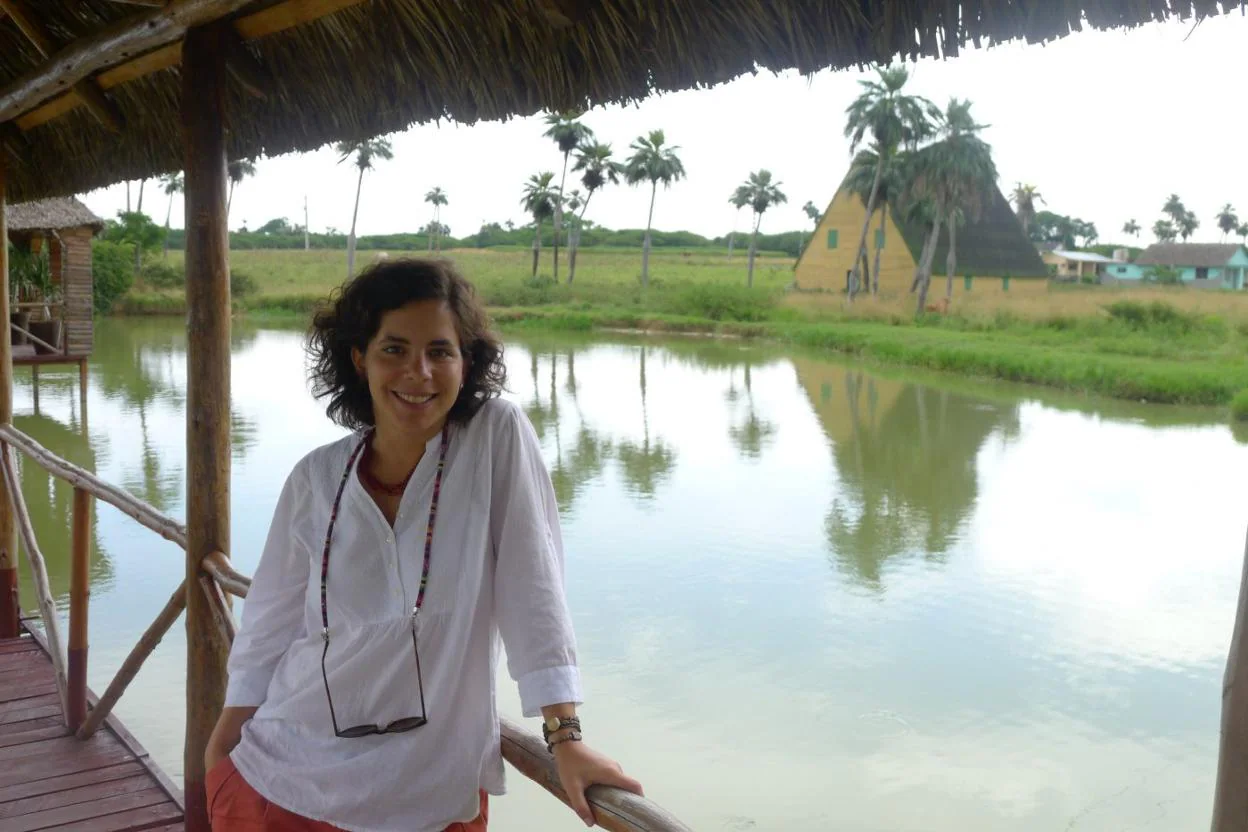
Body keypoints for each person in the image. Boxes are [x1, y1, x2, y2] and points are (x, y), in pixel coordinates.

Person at [204, 258, 642, 831]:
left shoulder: (493, 439)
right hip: (279, 781)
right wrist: (222, 751)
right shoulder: (315, 477)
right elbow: (269, 625)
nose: (419, 372)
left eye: (440, 351)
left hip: (428, 797)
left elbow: (534, 592)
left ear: (466, 362)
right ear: (359, 360)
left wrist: (565, 737)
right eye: (394, 350)